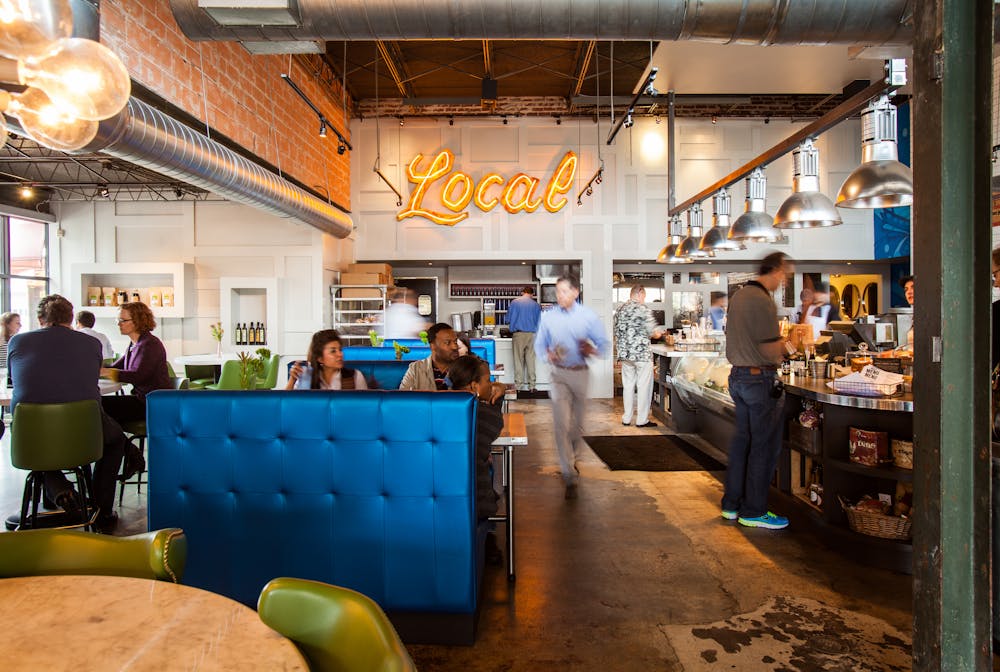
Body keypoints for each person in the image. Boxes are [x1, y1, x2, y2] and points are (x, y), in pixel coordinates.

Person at [8, 294, 127, 533]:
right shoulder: (91, 344)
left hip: (30, 437)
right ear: (71, 318)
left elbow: (14, 380)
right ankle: (100, 508)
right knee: (116, 441)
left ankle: (60, 489)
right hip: (85, 433)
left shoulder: (18, 342)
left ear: (40, 318)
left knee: (41, 442)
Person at [721, 252, 793, 530]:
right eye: (784, 275)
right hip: (757, 379)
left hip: (737, 378)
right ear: (775, 271)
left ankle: (732, 505)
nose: (783, 281)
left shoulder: (739, 296)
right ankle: (754, 510)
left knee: (742, 444)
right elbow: (769, 348)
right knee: (762, 447)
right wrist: (786, 348)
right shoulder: (762, 301)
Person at [534, 275, 609, 499]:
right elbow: (539, 344)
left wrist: (592, 350)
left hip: (581, 373)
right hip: (558, 375)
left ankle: (573, 457)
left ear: (576, 292)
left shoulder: (588, 317)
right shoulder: (548, 317)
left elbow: (604, 345)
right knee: (560, 424)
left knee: (577, 426)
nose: (560, 296)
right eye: (558, 292)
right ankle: (568, 471)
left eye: (564, 292)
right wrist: (546, 354)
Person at [99, 301, 171, 426]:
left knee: (100, 406)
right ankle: (119, 443)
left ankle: (119, 444)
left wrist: (106, 372)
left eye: (123, 320)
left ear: (138, 321)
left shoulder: (149, 344)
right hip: (143, 400)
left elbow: (137, 376)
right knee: (99, 405)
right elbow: (115, 367)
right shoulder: (135, 344)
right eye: (118, 320)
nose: (118, 324)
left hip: (152, 403)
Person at [613, 285, 664, 428]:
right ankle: (642, 420)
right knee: (643, 386)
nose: (644, 299)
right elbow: (653, 332)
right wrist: (660, 333)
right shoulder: (643, 309)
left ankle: (626, 418)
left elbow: (616, 330)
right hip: (641, 355)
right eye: (644, 296)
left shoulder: (620, 310)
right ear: (640, 293)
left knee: (628, 386)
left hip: (625, 354)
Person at [286, 329, 367, 390]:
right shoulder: (307, 377)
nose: (340, 354)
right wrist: (292, 380)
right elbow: (289, 404)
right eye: (333, 351)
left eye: (340, 350)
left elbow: (366, 407)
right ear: (320, 358)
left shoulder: (355, 376)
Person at [399, 322, 461, 391]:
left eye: (455, 342)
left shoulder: (464, 369)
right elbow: (403, 398)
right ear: (433, 346)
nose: (455, 347)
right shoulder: (415, 369)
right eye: (447, 342)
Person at [507, 285, 541, 391]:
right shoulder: (536, 305)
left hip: (519, 334)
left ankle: (518, 386)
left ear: (523, 292)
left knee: (518, 360)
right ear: (532, 294)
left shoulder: (514, 302)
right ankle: (532, 386)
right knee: (530, 360)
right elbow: (539, 323)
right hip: (532, 335)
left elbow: (508, 319)